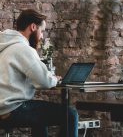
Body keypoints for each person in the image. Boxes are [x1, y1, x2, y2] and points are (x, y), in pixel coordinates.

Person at [0, 9, 78, 137]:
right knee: (70, 114)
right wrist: (54, 79)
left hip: (2, 107)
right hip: (13, 109)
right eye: (42, 31)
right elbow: (44, 81)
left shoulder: (5, 46)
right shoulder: (24, 49)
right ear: (33, 27)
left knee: (39, 120)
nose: (42, 36)